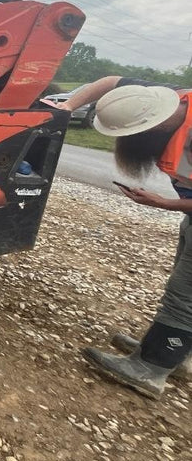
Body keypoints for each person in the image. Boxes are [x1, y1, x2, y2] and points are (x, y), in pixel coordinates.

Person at [45, 76, 192, 398]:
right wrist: (68, 106)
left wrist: (165, 203)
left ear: (150, 129)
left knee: (183, 298)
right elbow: (112, 81)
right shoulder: (156, 98)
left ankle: (151, 369)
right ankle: (177, 354)